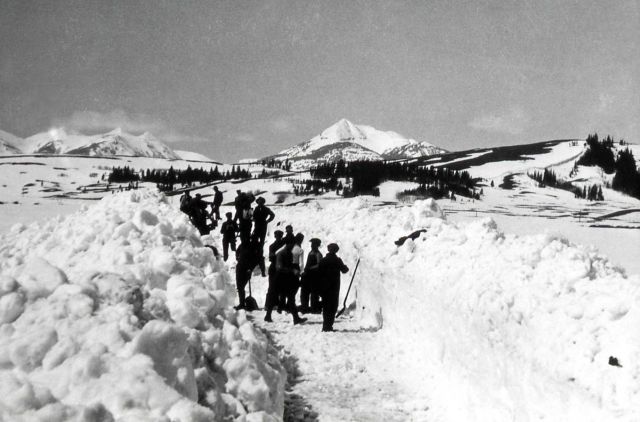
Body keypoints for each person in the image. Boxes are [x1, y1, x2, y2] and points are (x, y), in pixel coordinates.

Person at [274, 237, 306, 325]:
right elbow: (280, 267)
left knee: (290, 298)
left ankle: (295, 318)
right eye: (290, 244)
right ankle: (269, 315)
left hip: (286, 278)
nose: (291, 246)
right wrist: (293, 270)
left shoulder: (289, 253)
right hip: (281, 277)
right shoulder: (282, 253)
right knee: (275, 294)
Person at [318, 243, 349, 332]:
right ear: (336, 250)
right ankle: (329, 326)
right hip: (334, 288)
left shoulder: (323, 260)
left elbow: (318, 274)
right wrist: (346, 266)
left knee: (325, 306)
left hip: (324, 287)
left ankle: (325, 326)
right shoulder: (337, 260)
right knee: (332, 306)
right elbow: (345, 270)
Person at [234, 234, 263, 310]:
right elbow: (237, 251)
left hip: (246, 269)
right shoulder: (242, 245)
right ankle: (242, 303)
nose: (243, 239)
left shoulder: (252, 247)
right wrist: (237, 257)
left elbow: (255, 259)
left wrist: (250, 268)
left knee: (242, 286)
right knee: (239, 286)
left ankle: (243, 303)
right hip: (240, 267)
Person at [264, 230, 285, 322]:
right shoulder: (275, 246)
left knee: (275, 287)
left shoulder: (274, 246)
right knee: (273, 287)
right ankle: (271, 305)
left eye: (280, 235)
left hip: (277, 268)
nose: (278, 237)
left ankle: (276, 305)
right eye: (277, 235)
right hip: (277, 268)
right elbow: (271, 257)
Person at [300, 238, 323, 313]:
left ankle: (314, 308)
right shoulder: (311, 253)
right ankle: (305, 307)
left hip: (314, 276)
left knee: (314, 293)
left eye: (313, 244)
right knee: (305, 292)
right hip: (308, 276)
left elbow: (319, 265)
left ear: (317, 245)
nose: (312, 246)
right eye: (312, 244)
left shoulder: (318, 254)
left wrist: (310, 268)